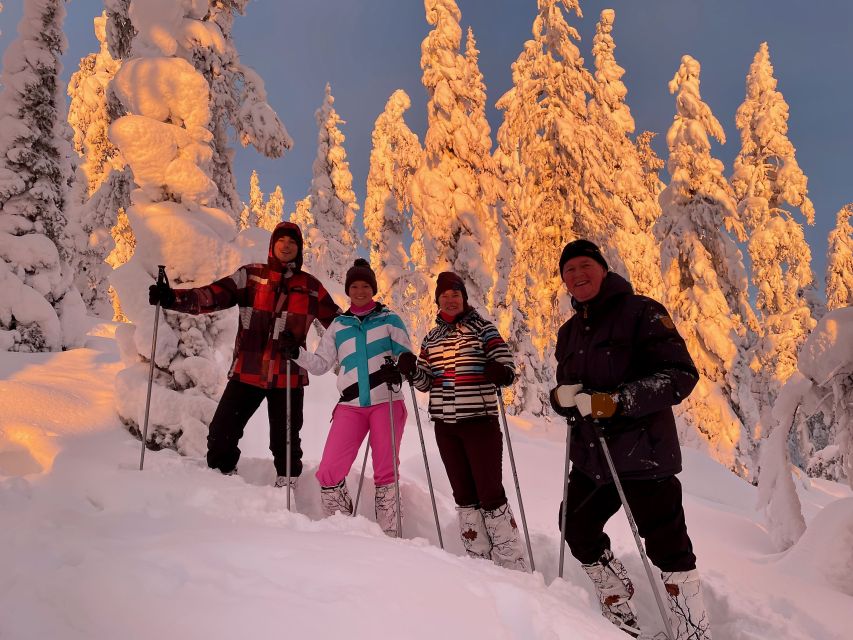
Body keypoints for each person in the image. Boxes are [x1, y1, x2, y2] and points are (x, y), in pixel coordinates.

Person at [549, 239, 711, 640]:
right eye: (568, 270)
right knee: (575, 526)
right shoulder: (568, 332)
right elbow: (570, 389)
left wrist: (616, 402)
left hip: (644, 454)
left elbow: (679, 375)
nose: (577, 275)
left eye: (584, 265)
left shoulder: (643, 312)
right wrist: (561, 399)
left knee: (669, 547)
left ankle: (692, 630)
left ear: (604, 269)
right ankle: (616, 597)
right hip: (593, 457)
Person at [148, 221, 340, 492]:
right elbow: (211, 296)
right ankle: (225, 484)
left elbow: (341, 326)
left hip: (288, 376)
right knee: (220, 435)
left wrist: (371, 324)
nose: (286, 246)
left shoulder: (310, 287)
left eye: (293, 242)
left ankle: (287, 489)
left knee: (285, 444)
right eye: (281, 240)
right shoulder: (251, 277)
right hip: (248, 371)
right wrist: (172, 298)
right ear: (273, 245)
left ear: (299, 250)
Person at [397, 271, 526, 571]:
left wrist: (501, 373)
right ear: (438, 301)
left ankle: (511, 563)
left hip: (479, 423)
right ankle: (479, 562)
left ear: (464, 298)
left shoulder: (483, 329)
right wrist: (411, 370)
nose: (451, 299)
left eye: (455, 294)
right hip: (446, 427)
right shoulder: (431, 338)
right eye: (445, 296)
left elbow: (507, 366)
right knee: (464, 495)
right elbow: (426, 383)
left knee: (490, 493)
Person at [295, 258, 413, 537]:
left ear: (373, 288)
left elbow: (406, 357)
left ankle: (391, 536)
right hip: (350, 405)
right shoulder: (338, 325)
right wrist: (295, 353)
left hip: (387, 401)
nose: (360, 291)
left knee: (385, 470)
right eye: (355, 286)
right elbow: (321, 365)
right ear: (348, 290)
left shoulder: (389, 319)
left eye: (365, 286)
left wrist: (402, 369)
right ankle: (343, 534)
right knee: (329, 471)